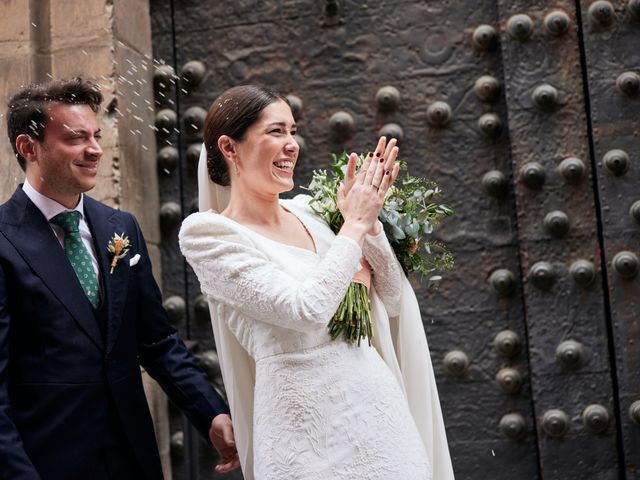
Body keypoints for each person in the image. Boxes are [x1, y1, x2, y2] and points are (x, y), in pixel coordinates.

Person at [179, 85, 455, 480]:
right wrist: (354, 226)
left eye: (293, 131)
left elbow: (392, 298)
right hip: (305, 438)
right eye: (276, 132)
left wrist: (370, 226)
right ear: (229, 147)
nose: (292, 144)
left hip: (380, 418)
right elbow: (303, 309)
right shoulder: (209, 234)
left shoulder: (311, 212)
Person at [0, 77, 240, 479]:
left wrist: (210, 410)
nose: (94, 149)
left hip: (134, 458)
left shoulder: (119, 228)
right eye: (76, 138)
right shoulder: (4, 239)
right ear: (29, 148)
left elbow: (157, 341)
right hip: (47, 463)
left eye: (96, 135)